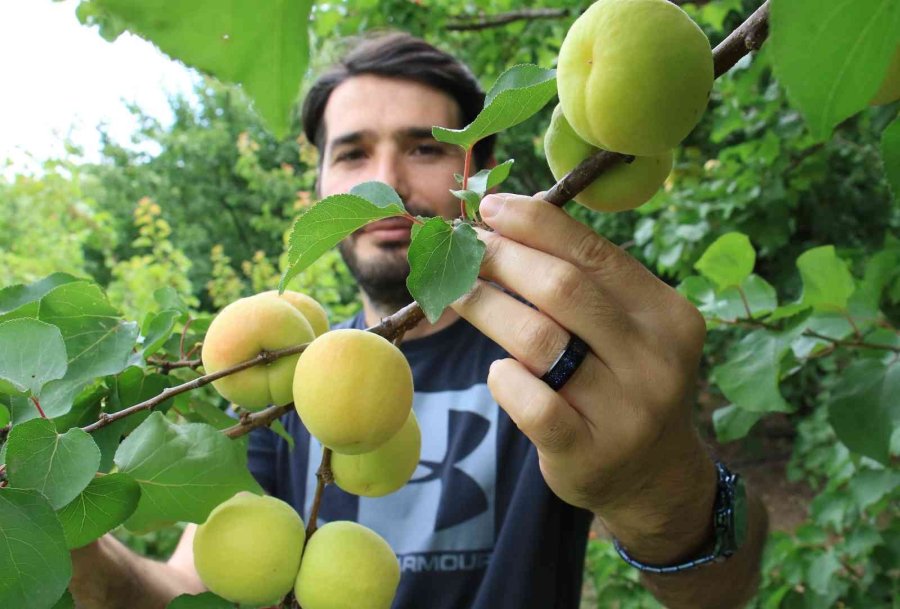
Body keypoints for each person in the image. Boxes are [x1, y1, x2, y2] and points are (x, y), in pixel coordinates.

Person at [70, 32, 768, 609]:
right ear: (318, 188)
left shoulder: (553, 350)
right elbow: (183, 588)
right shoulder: (274, 377)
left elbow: (722, 587)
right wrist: (70, 538)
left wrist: (660, 492)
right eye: (352, 153)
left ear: (479, 168)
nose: (390, 183)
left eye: (425, 147)